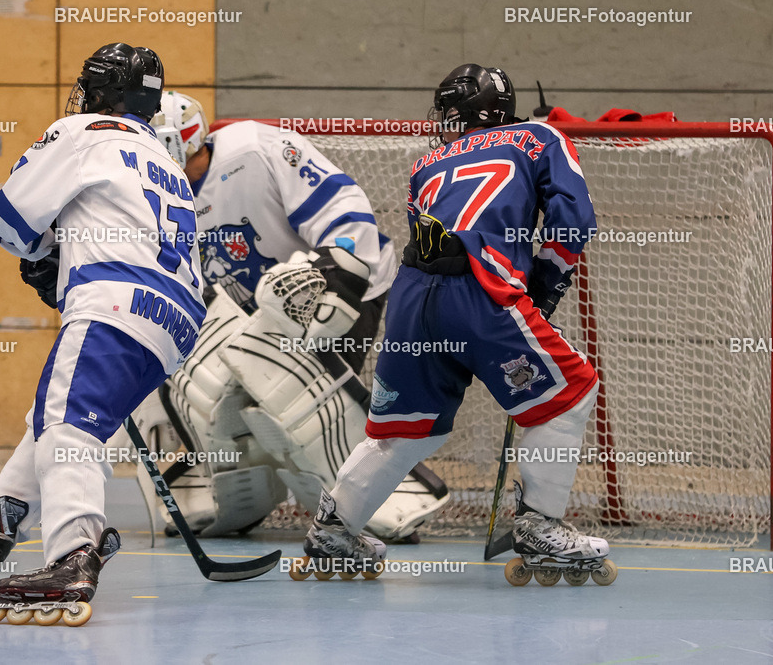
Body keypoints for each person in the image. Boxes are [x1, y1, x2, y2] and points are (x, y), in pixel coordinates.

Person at [296, 64, 616, 585]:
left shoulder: (425, 164)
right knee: (570, 391)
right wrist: (546, 285)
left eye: (448, 110)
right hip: (480, 289)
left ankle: (335, 530)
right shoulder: (541, 137)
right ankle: (541, 525)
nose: (442, 119)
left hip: (411, 298)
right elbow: (573, 222)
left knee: (404, 429)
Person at [0, 43, 205, 626]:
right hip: (177, 322)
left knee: (67, 427)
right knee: (57, 418)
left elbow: (9, 218)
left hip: (116, 300)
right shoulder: (165, 159)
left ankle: (72, 557)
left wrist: (41, 254)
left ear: (100, 92)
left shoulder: (83, 131)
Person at [123, 92, 448, 542]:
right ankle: (241, 500)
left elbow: (342, 208)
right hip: (246, 314)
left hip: (329, 291)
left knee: (301, 408)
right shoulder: (149, 196)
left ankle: (383, 505)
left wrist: (338, 279)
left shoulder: (256, 149)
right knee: (207, 395)